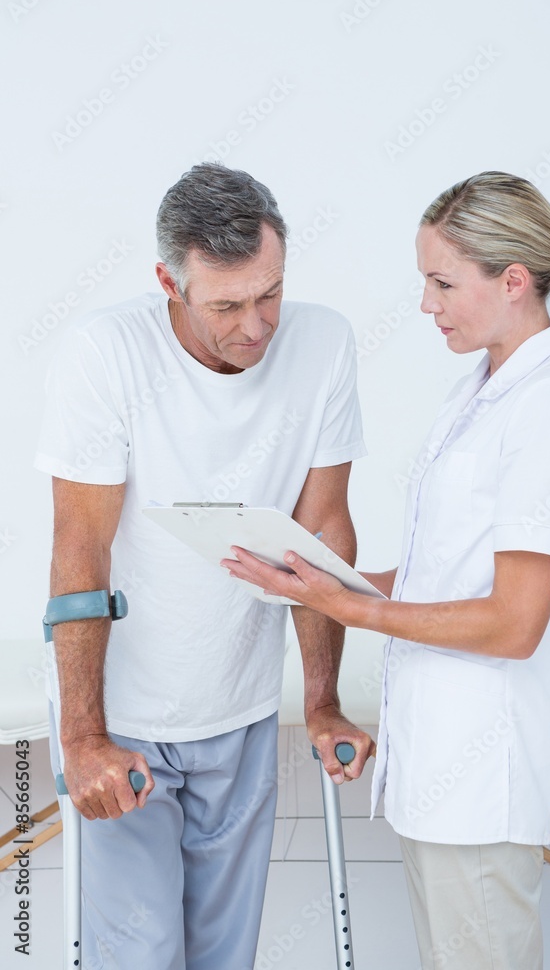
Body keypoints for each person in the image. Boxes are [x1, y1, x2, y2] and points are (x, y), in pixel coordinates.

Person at [223, 171, 550, 970]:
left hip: (481, 782)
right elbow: (440, 576)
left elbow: (513, 624)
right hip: (441, 773)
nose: (425, 304)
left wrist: (343, 607)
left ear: (512, 282)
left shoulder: (548, 408)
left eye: (442, 283)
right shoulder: (478, 391)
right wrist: (316, 574)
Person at [35, 162, 374, 970]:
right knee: (142, 956)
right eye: (226, 305)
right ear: (169, 283)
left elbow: (322, 528)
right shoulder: (106, 353)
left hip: (242, 705)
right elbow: (81, 549)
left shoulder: (322, 343)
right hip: (124, 721)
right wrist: (83, 739)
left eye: (270, 293)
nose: (256, 326)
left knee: (227, 958)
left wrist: (322, 701)